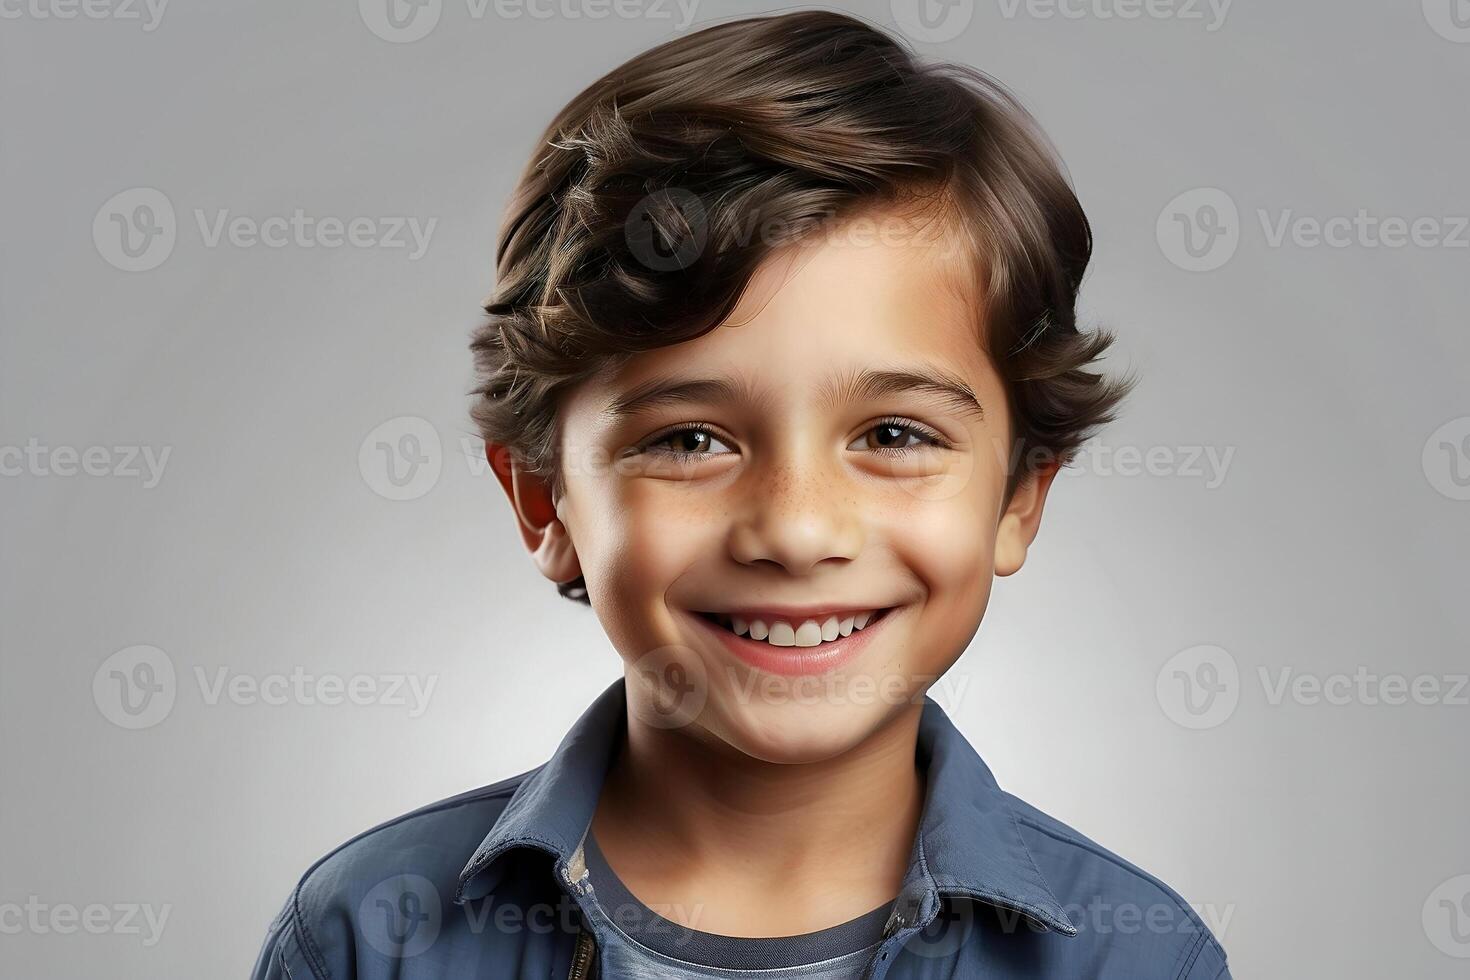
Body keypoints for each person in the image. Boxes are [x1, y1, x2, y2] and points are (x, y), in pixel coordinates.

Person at [251, 10, 1231, 978]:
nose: (797, 528)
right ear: (543, 500)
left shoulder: (1138, 957)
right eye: (689, 439)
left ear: (1020, 495)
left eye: (893, 434)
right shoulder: (363, 938)